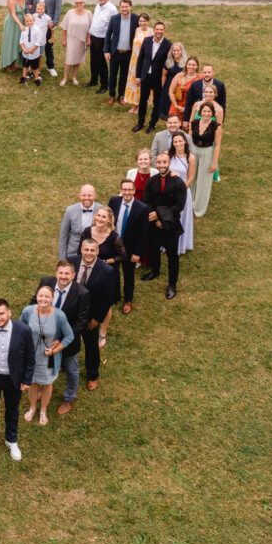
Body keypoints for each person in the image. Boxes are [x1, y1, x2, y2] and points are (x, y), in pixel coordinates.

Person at [33, 260, 90, 416]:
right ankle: (43, 390)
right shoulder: (46, 282)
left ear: (73, 275)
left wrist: (63, 337)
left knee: (72, 369)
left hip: (68, 340)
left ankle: (69, 398)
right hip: (45, 338)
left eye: (67, 273)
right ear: (56, 273)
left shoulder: (82, 293)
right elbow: (34, 302)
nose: (63, 277)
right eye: (61, 273)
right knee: (47, 365)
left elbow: (81, 321)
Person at [21, 284, 75, 424]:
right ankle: (32, 407)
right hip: (31, 356)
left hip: (49, 357)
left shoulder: (59, 315)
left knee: (47, 384)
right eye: (40, 295)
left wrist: (55, 350)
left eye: (47, 296)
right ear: (36, 296)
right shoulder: (27, 311)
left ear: (52, 298)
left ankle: (43, 410)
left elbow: (69, 336)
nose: (43, 299)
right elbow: (20, 331)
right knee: (32, 382)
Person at [68, 238, 117, 388]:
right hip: (70, 312)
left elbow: (109, 298)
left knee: (91, 346)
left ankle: (92, 374)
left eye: (92, 250)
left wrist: (97, 319)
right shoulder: (71, 262)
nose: (89, 253)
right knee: (67, 339)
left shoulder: (107, 270)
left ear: (97, 251)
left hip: (90, 316)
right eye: (86, 250)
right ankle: (64, 363)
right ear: (81, 250)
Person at [142, 152, 187, 299]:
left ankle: (172, 285)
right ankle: (155, 271)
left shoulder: (178, 182)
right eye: (159, 162)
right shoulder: (151, 181)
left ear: (169, 163)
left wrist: (161, 217)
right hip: (154, 223)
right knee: (154, 248)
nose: (161, 165)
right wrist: (155, 218)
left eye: (164, 162)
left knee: (172, 255)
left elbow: (179, 206)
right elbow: (146, 201)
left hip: (171, 224)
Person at [108, 179, 149, 315]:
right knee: (112, 271)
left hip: (130, 247)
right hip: (113, 245)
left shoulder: (142, 208)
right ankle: (114, 295)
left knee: (128, 274)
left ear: (134, 191)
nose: (127, 192)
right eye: (124, 189)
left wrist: (137, 252)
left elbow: (143, 233)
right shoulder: (114, 201)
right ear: (121, 190)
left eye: (129, 190)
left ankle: (128, 299)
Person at [133, 21, 173, 133]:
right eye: (157, 29)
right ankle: (140, 123)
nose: (159, 31)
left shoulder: (168, 45)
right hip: (145, 76)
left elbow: (168, 63)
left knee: (157, 102)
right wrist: (138, 77)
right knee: (143, 101)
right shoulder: (146, 41)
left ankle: (152, 124)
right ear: (154, 30)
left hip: (158, 78)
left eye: (161, 29)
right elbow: (140, 59)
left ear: (164, 31)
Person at [25, 0, 63, 76]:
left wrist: (54, 23)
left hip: (47, 24)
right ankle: (31, 67)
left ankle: (50, 66)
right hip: (35, 23)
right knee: (33, 44)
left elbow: (58, 8)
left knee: (48, 46)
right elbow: (28, 4)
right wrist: (29, 17)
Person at [103, 0, 140, 106]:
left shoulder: (136, 19)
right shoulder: (114, 18)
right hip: (115, 52)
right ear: (120, 8)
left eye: (126, 7)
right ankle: (112, 95)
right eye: (122, 7)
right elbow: (108, 35)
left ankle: (121, 96)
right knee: (113, 75)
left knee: (124, 76)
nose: (124, 9)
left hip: (128, 53)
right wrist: (107, 51)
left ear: (130, 7)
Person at [189, 101, 222, 217]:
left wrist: (214, 162)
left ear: (212, 113)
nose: (206, 113)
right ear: (200, 112)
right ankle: (189, 204)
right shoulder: (194, 123)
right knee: (191, 179)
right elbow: (189, 138)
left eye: (209, 111)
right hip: (193, 151)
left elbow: (217, 145)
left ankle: (199, 210)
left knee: (204, 182)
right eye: (204, 111)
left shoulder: (216, 127)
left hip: (207, 152)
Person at [170, 134, 197, 255]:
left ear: (185, 141)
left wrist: (181, 189)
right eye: (175, 142)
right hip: (169, 191)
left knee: (183, 216)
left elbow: (191, 177)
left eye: (180, 141)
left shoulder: (190, 158)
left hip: (183, 191)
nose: (178, 144)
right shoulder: (168, 155)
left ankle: (183, 244)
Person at [87, 0, 117, 91]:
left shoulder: (112, 9)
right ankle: (93, 80)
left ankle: (104, 85)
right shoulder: (97, 6)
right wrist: (90, 35)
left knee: (101, 63)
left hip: (103, 39)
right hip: (94, 37)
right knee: (93, 61)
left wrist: (108, 43)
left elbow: (114, 27)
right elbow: (95, 22)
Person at [58, 0, 91, 86]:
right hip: (72, 39)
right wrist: (64, 39)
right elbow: (64, 27)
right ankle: (65, 78)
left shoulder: (88, 13)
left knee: (78, 59)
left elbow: (91, 28)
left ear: (84, 3)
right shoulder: (70, 12)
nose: (79, 4)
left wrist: (88, 38)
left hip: (82, 40)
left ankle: (74, 77)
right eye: (77, 3)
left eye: (81, 2)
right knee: (69, 59)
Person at [182, 63, 228, 128]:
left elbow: (222, 103)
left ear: (213, 73)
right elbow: (188, 102)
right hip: (197, 115)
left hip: (212, 116)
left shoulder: (220, 85)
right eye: (205, 72)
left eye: (209, 72)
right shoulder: (195, 84)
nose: (207, 74)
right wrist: (186, 120)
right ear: (202, 73)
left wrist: (221, 120)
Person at [58, 184, 97, 260]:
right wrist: (62, 259)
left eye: (89, 195)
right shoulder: (70, 210)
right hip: (73, 254)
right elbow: (63, 237)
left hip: (93, 255)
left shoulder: (101, 209)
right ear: (79, 196)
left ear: (94, 196)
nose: (86, 198)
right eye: (83, 195)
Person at [123, 14, 151, 113]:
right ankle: (134, 104)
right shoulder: (137, 30)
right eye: (140, 21)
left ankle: (140, 105)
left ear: (148, 21)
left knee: (141, 83)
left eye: (144, 21)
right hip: (134, 60)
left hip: (143, 60)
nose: (142, 23)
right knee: (134, 82)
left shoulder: (151, 32)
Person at [0, 0, 26, 76]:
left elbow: (26, 10)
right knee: (10, 42)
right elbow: (13, 14)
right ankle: (7, 64)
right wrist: (20, 25)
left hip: (21, 21)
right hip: (12, 22)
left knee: (17, 42)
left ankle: (13, 63)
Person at [164, 45, 193, 116]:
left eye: (178, 50)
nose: (176, 52)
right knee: (168, 103)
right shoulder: (168, 61)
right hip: (169, 84)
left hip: (181, 85)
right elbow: (164, 75)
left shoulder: (187, 62)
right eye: (174, 50)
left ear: (182, 51)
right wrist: (163, 87)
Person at [18, 12, 43, 85]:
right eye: (27, 21)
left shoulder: (37, 30)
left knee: (35, 67)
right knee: (25, 65)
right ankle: (24, 77)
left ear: (34, 20)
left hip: (34, 53)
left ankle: (36, 79)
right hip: (25, 53)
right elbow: (21, 40)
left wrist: (33, 49)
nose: (29, 22)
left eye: (30, 21)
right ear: (25, 22)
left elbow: (39, 41)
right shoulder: (24, 30)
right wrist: (23, 48)